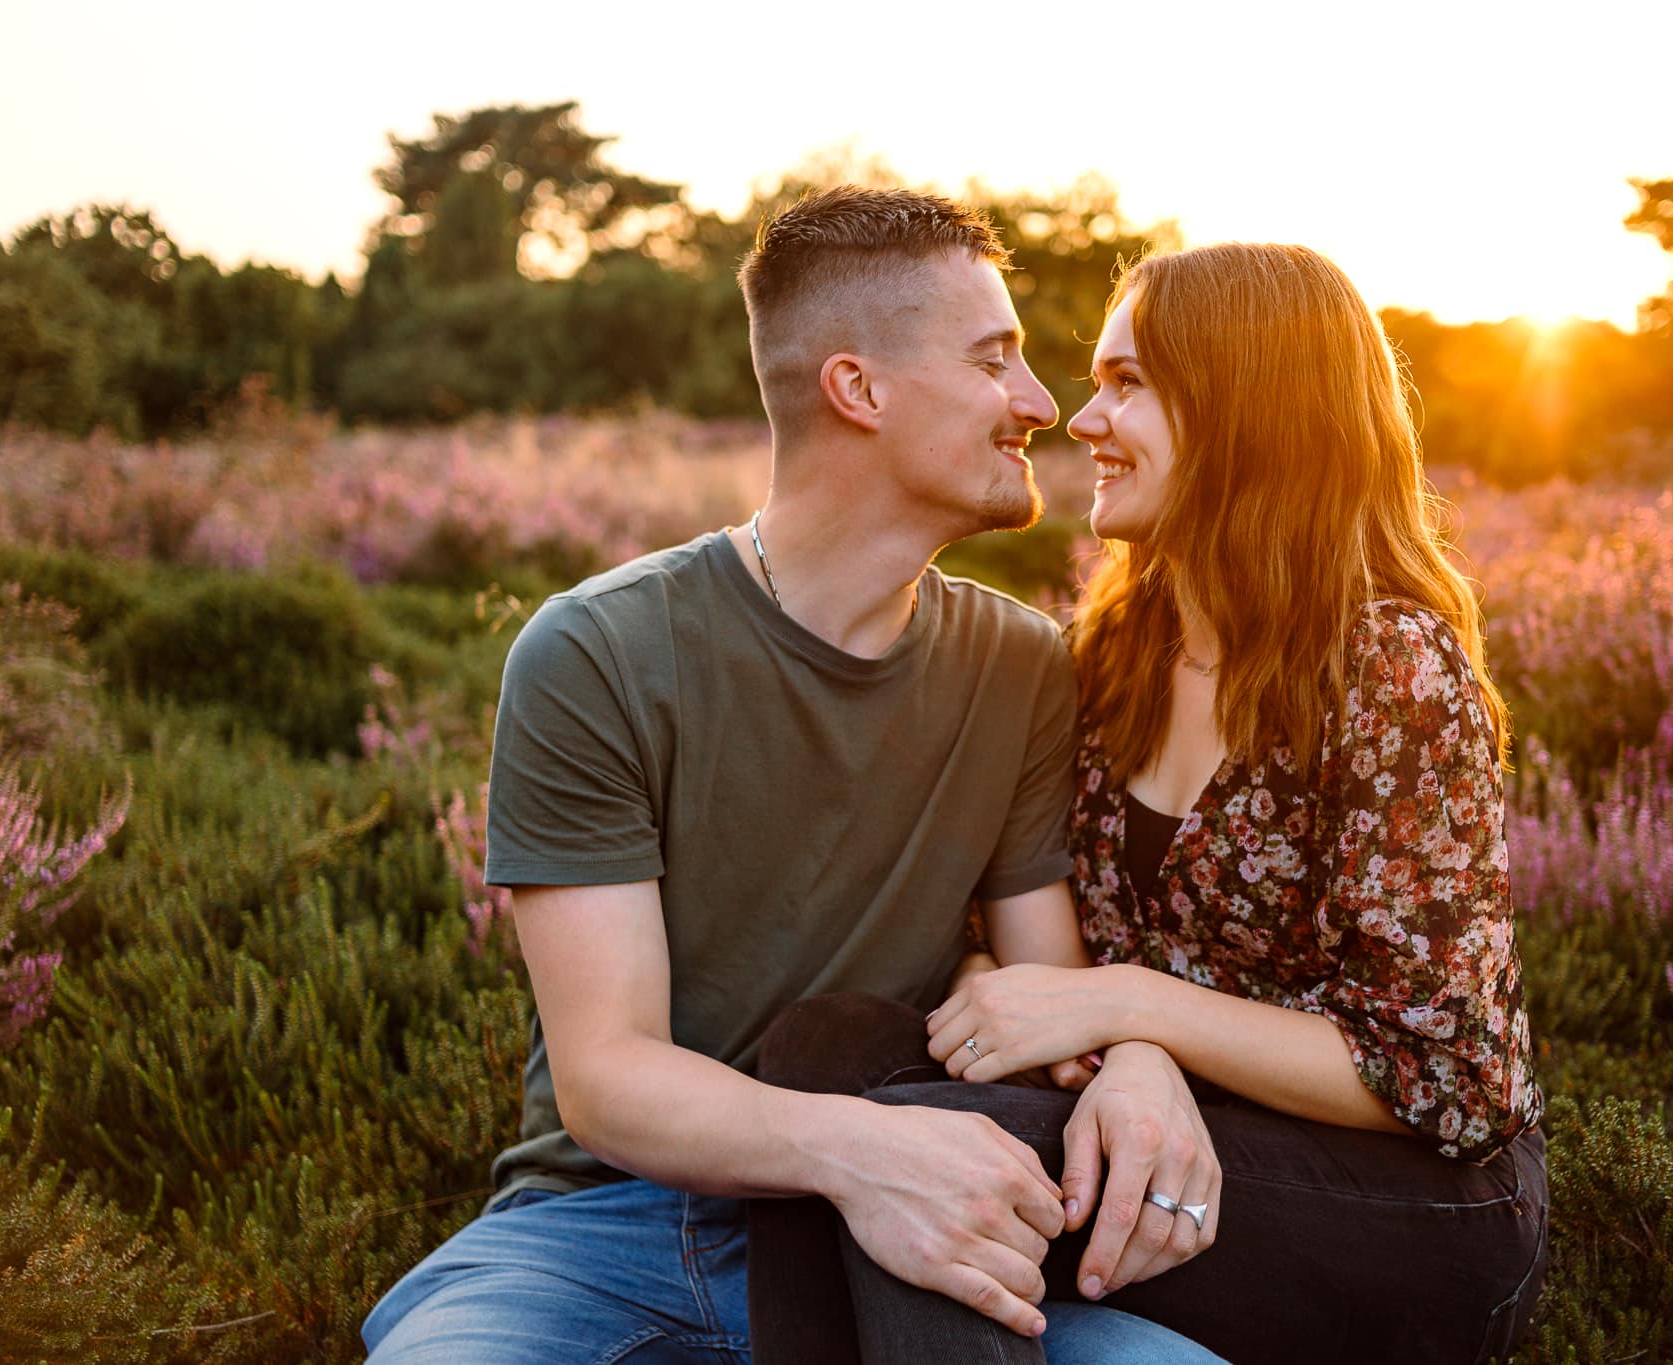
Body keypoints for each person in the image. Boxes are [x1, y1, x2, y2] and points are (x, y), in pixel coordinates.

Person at [360, 187, 1225, 1364]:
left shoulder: (1019, 665)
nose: (1039, 406)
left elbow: (1047, 993)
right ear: (857, 390)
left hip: (922, 1232)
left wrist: (1137, 1062)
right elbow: (607, 1078)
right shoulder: (597, 653)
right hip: (610, 1229)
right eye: (995, 363)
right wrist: (860, 1153)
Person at [758, 243, 1548, 1363]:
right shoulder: (1117, 647)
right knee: (822, 1060)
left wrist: (1130, 1012)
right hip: (1161, 1126)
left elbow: (1452, 1080)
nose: (1081, 419)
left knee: (906, 1144)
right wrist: (1118, 1041)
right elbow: (1029, 945)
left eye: (1127, 384)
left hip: (1408, 1207)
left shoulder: (1385, 665)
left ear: (1246, 409)